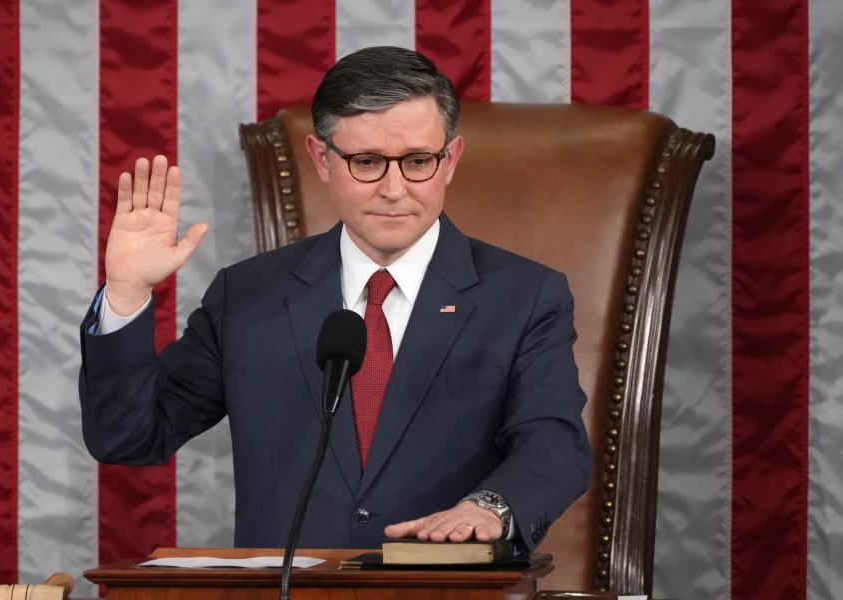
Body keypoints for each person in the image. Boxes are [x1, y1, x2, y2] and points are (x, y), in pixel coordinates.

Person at [79, 46, 591, 552]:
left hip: (447, 590)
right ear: (322, 159)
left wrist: (490, 507)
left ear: (450, 160)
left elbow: (554, 443)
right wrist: (126, 293)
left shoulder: (523, 296)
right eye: (367, 161)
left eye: (417, 161)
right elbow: (130, 437)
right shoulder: (248, 295)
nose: (394, 189)